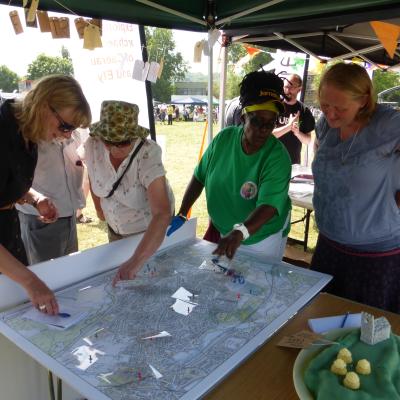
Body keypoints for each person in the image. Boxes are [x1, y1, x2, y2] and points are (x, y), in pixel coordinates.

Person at [167, 70, 291, 262]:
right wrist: (183, 212)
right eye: (258, 121)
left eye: (271, 122)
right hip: (226, 231)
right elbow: (200, 176)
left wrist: (240, 232)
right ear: (243, 117)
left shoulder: (277, 157)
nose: (264, 129)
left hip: (261, 239)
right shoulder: (224, 139)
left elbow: (268, 206)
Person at [310, 62, 400, 313]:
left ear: (363, 100)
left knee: (364, 336)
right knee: (319, 323)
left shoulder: (387, 124)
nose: (331, 114)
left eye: (340, 108)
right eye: (325, 105)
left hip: (376, 257)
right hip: (329, 246)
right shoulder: (326, 125)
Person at [0, 74, 91, 314]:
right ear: (43, 105)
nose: (67, 135)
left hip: (8, 236)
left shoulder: (27, 133)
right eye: (65, 126)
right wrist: (31, 280)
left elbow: (9, 182)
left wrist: (34, 198)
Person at [83, 100, 174, 284]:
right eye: (109, 141)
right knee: (123, 288)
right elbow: (92, 174)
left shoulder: (148, 153)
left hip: (147, 232)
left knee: (148, 284)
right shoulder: (92, 145)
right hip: (116, 229)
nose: (115, 148)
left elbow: (162, 213)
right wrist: (99, 209)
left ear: (134, 136)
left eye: (123, 142)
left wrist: (135, 260)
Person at [16, 130, 88, 264]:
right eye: (67, 126)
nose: (69, 133)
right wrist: (36, 199)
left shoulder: (74, 133)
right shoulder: (27, 136)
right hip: (39, 219)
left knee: (69, 269)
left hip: (69, 215)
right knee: (45, 274)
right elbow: (12, 180)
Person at [273, 74, 315, 164]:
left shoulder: (304, 111)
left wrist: (297, 133)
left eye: (291, 87)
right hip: (271, 160)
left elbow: (308, 140)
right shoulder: (274, 106)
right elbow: (268, 135)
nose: (287, 91)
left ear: (299, 89)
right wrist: (288, 127)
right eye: (285, 87)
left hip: (292, 163)